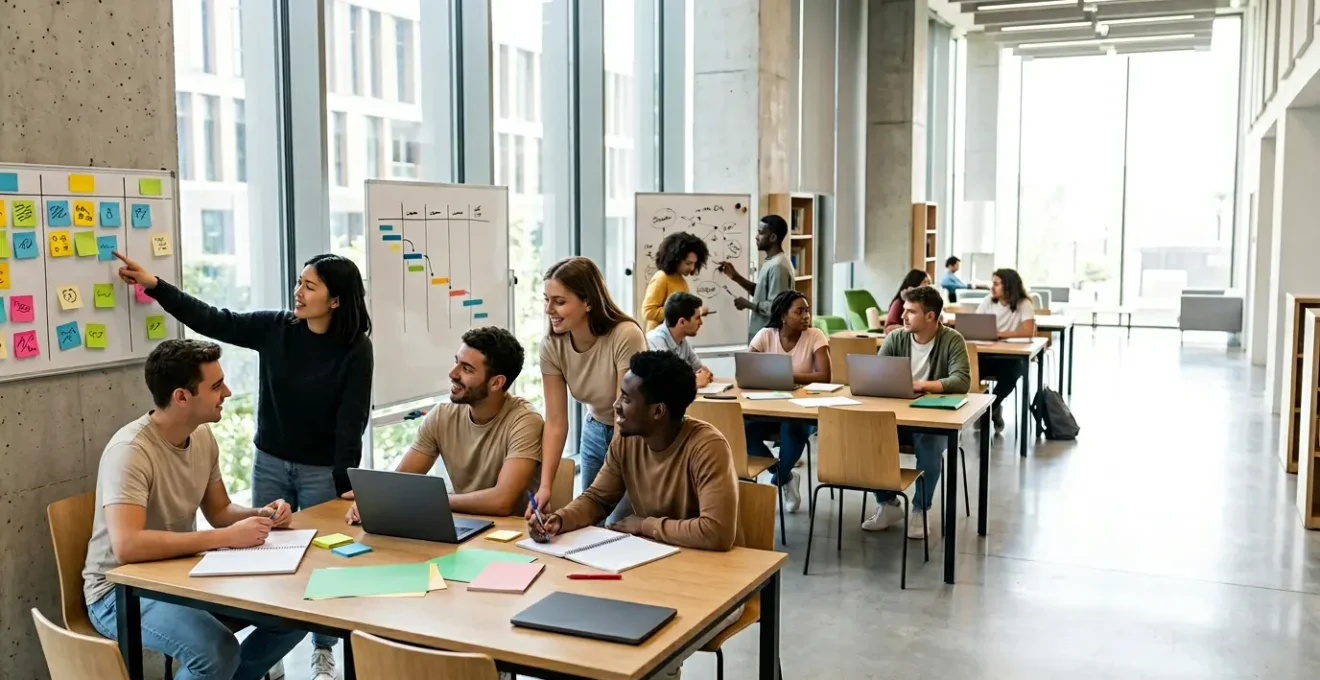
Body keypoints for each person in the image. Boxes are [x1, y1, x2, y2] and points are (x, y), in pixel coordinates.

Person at [115, 251, 371, 680]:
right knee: (270, 553)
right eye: (299, 281)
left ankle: (322, 651)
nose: (298, 291)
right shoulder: (277, 328)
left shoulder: (355, 348)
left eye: (310, 286)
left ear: (337, 300)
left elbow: (353, 418)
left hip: (321, 469)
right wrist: (155, 285)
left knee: (321, 569)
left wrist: (346, 483)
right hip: (270, 460)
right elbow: (214, 320)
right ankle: (263, 666)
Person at [83, 340, 304, 680]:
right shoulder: (130, 452)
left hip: (179, 577)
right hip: (117, 594)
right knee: (216, 653)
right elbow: (128, 546)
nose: (227, 392)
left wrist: (261, 515)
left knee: (295, 613)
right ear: (181, 397)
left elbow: (220, 511)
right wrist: (223, 538)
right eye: (216, 386)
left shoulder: (202, 437)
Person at [528, 350, 738, 679]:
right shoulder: (626, 440)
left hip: (711, 585)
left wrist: (646, 525)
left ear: (657, 411)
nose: (615, 406)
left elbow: (716, 532)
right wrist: (561, 519)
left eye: (626, 398)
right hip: (651, 572)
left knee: (651, 648)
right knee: (586, 625)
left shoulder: (706, 446)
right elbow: (598, 498)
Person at [344, 327, 542, 524]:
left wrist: (426, 502)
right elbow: (401, 484)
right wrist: (376, 499)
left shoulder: (524, 422)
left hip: (512, 536)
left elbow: (502, 502)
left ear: (496, 383)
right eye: (456, 362)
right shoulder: (441, 416)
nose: (452, 373)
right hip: (464, 526)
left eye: (467, 369)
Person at [538, 257, 647, 513]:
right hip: (595, 431)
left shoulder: (625, 335)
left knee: (619, 527)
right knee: (590, 524)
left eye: (560, 302)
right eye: (546, 299)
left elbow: (626, 412)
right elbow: (555, 421)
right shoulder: (552, 345)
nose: (548, 310)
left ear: (588, 302)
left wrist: (610, 477)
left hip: (633, 434)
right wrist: (545, 486)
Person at [862, 286, 970, 538]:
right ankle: (887, 504)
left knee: (929, 442)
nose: (903, 317)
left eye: (911, 312)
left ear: (930, 316)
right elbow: (877, 374)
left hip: (934, 418)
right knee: (868, 435)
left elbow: (961, 380)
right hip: (897, 417)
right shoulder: (895, 338)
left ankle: (921, 508)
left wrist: (920, 385)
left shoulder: (952, 340)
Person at [743, 290, 831, 512]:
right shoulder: (765, 335)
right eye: (799, 311)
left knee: (792, 428)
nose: (806, 316)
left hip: (804, 409)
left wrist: (783, 375)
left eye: (807, 311)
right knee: (744, 430)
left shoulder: (815, 335)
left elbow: (824, 376)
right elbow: (746, 368)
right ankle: (786, 476)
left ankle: (776, 481)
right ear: (783, 315)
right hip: (769, 407)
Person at [976, 268, 1037, 433]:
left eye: (996, 284)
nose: (992, 287)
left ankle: (990, 407)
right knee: (971, 372)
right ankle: (984, 406)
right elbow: (975, 324)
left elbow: (1028, 332)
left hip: (1010, 356)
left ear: (1008, 286)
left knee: (1011, 374)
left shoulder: (1023, 303)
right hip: (986, 352)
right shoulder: (988, 301)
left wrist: (999, 335)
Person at [715, 214, 795, 338]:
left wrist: (748, 304)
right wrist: (736, 277)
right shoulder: (771, 261)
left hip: (770, 336)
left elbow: (777, 306)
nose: (756, 237)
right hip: (763, 335)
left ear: (773, 237)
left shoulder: (778, 266)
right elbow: (763, 293)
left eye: (761, 233)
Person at [642, 231, 709, 331]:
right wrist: (683, 311)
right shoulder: (662, 278)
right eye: (688, 263)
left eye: (694, 264)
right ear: (675, 260)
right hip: (659, 342)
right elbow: (648, 312)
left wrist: (694, 311)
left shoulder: (681, 281)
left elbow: (683, 312)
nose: (692, 268)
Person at [645, 292, 713, 388]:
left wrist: (705, 375)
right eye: (697, 318)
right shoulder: (655, 341)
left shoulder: (682, 340)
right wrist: (694, 381)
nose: (701, 322)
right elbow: (667, 382)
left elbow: (700, 369)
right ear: (682, 322)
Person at [884, 269, 932, 333]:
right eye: (925, 282)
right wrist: (910, 329)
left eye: (929, 282)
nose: (928, 286)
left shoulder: (927, 302)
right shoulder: (899, 303)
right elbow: (888, 328)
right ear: (915, 283)